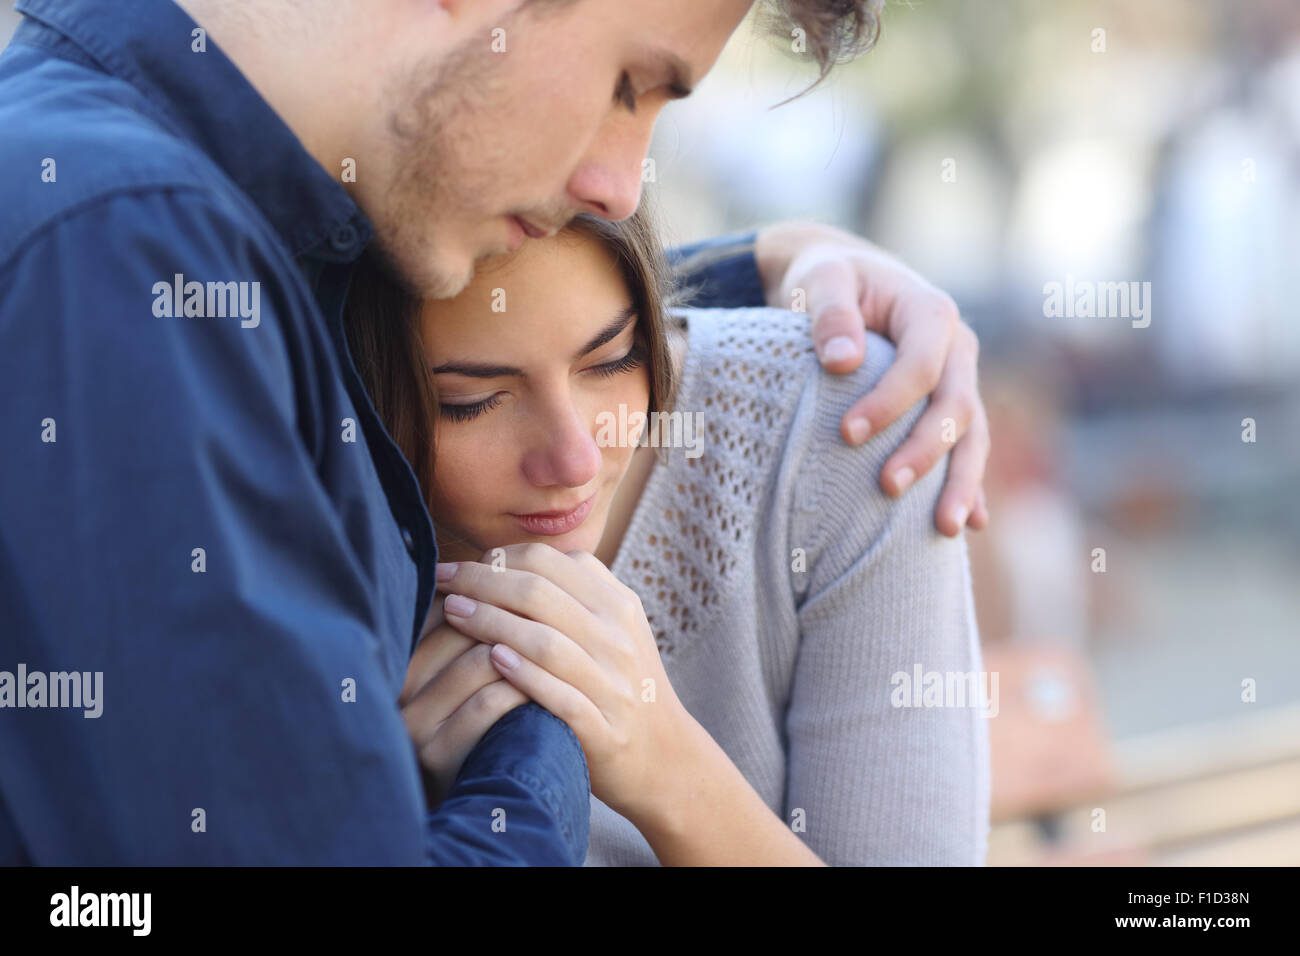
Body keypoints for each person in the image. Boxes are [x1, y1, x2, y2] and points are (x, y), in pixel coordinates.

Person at [0, 0, 987, 864]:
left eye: (612, 352)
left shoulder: (184, 225)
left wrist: (770, 266)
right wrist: (544, 717)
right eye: (628, 84)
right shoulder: (128, 261)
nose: (621, 185)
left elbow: (444, 306)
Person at [368, 207, 989, 865]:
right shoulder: (312, 542)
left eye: (612, 359)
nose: (577, 458)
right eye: (471, 401)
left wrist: (667, 770)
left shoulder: (843, 430)